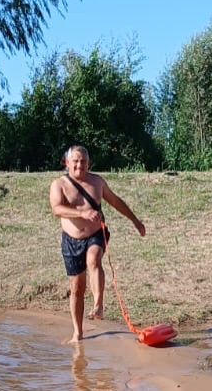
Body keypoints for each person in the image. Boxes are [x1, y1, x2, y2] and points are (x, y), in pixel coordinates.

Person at [49, 145, 146, 342]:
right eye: (75, 161)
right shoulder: (58, 184)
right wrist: (81, 213)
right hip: (71, 240)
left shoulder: (97, 182)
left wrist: (135, 221)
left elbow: (116, 201)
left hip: (96, 234)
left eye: (83, 161)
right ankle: (78, 332)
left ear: (89, 163)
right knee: (77, 287)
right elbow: (57, 209)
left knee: (93, 259)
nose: (79, 165)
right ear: (66, 163)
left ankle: (98, 304)